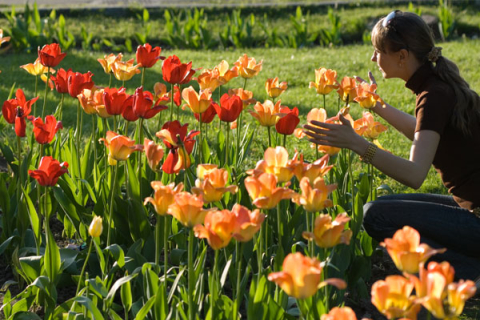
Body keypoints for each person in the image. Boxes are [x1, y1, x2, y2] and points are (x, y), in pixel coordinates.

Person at [304, 10, 480, 281]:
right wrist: (375, 104)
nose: (374, 58)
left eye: (378, 51)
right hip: (471, 208)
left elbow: (414, 174)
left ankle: (468, 273)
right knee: (385, 204)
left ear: (402, 56)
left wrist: (358, 144)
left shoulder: (433, 95)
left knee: (376, 214)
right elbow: (424, 133)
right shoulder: (437, 85)